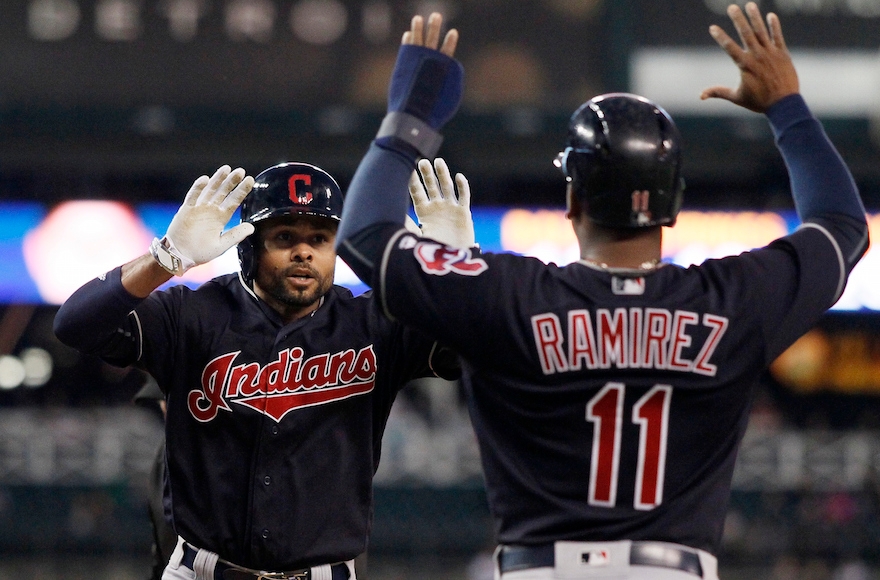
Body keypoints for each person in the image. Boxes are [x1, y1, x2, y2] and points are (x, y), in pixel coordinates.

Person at [335, 5, 869, 580]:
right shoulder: (729, 298)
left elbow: (365, 234)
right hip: (674, 570)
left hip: (544, 570)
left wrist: (407, 122)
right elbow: (842, 226)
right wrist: (788, 108)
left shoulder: (512, 294)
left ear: (572, 200)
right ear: (673, 203)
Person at [53, 159, 473, 579]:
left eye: (320, 238)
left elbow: (478, 352)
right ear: (248, 247)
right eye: (285, 236)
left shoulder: (375, 324)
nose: (304, 251)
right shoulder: (191, 314)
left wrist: (455, 276)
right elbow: (75, 325)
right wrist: (164, 259)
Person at [132, 372, 177, 580]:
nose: (163, 407)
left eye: (167, 399)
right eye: (161, 400)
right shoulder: (166, 453)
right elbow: (163, 546)